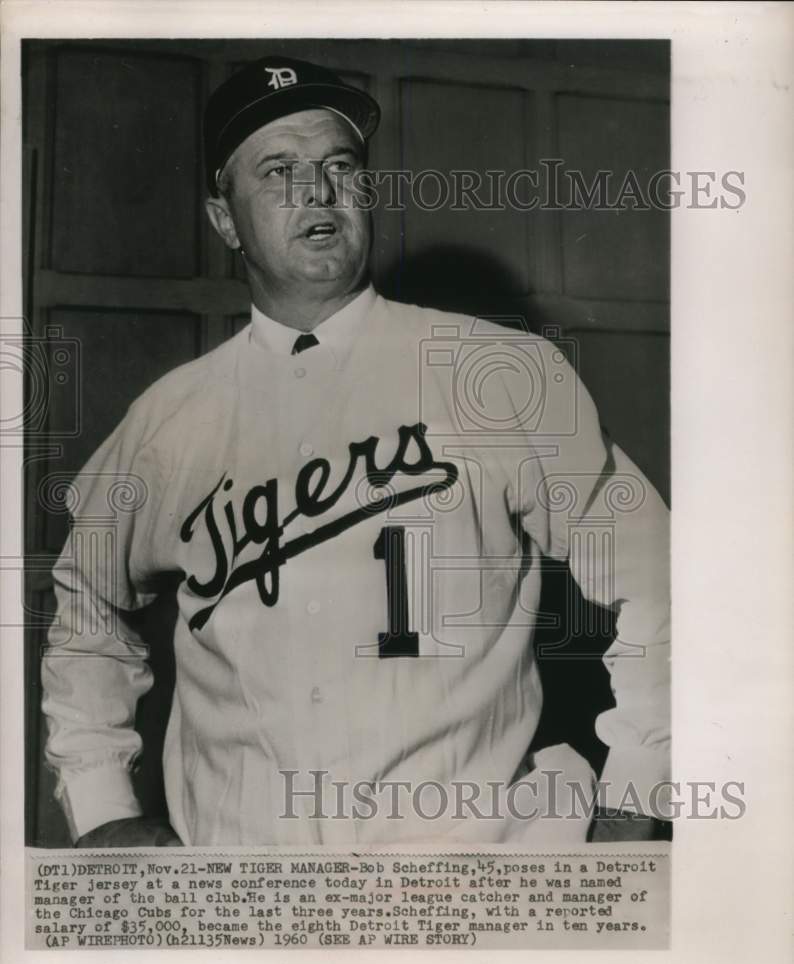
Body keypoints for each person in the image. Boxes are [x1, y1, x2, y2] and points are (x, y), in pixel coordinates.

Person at [41, 56, 670, 848]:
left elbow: (663, 580)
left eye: (339, 166)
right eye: (278, 171)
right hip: (249, 896)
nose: (318, 192)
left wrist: (640, 788)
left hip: (477, 878)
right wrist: (102, 809)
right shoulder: (167, 420)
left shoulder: (496, 372)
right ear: (225, 220)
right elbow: (86, 613)